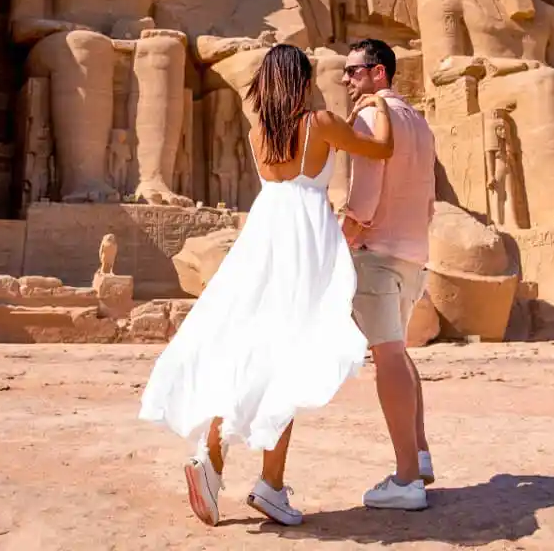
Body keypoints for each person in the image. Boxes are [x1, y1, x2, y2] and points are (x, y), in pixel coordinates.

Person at [139, 43, 396, 527]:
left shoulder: (259, 132)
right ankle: (268, 486)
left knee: (251, 349)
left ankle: (213, 461)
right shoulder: (318, 124)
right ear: (300, 81)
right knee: (290, 361)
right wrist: (377, 104)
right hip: (304, 241)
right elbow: (382, 148)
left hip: (263, 237)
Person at [339, 38, 437, 511]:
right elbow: (429, 197)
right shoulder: (419, 121)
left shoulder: (369, 117)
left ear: (380, 73)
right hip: (414, 252)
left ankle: (405, 479)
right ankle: (418, 453)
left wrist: (341, 240)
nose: (347, 80)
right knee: (398, 353)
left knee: (389, 357)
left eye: (355, 71)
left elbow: (365, 195)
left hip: (377, 252)